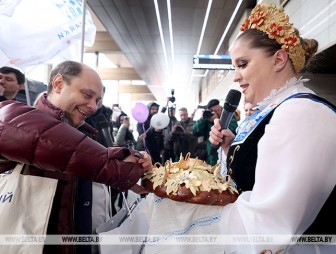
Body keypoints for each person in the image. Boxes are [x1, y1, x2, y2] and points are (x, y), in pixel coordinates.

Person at [209, 2, 336, 253]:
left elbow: (270, 227)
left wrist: (194, 220)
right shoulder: (278, 109)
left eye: (242, 64)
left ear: (278, 59)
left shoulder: (302, 113)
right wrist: (229, 146)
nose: (235, 76)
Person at [0, 60, 152, 254]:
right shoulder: (14, 117)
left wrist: (133, 171)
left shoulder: (88, 135)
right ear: (58, 84)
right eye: (87, 95)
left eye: (97, 100)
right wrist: (116, 163)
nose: (93, 106)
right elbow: (44, 138)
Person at [192, 98, 238, 165]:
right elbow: (195, 130)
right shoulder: (206, 121)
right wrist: (203, 118)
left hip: (226, 152)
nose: (216, 113)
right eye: (213, 111)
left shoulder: (228, 116)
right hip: (210, 154)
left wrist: (217, 121)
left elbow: (234, 128)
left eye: (218, 110)